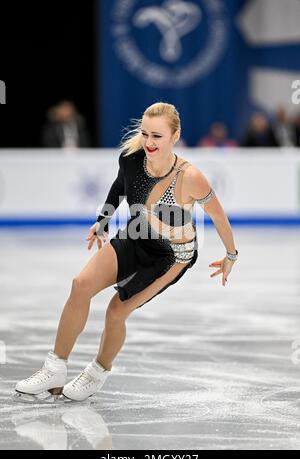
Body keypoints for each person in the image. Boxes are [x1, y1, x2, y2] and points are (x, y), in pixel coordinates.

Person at [14, 102, 238, 402]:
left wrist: (230, 255)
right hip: (134, 236)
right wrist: (102, 221)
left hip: (172, 257)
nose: (149, 142)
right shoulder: (132, 159)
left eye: (157, 136)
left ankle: (97, 372)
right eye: (145, 133)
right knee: (80, 286)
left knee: (116, 311)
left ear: (175, 136)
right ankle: (55, 367)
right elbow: (120, 186)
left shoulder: (190, 177)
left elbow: (218, 216)